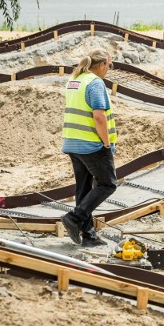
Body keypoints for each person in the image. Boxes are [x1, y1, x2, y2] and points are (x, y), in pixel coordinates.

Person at [61, 48, 118, 246]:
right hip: (91, 144)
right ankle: (74, 218)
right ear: (101, 65)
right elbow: (99, 117)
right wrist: (106, 143)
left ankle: (89, 235)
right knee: (108, 184)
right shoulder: (95, 83)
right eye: (109, 65)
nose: (109, 69)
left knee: (83, 190)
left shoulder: (75, 80)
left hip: (72, 141)